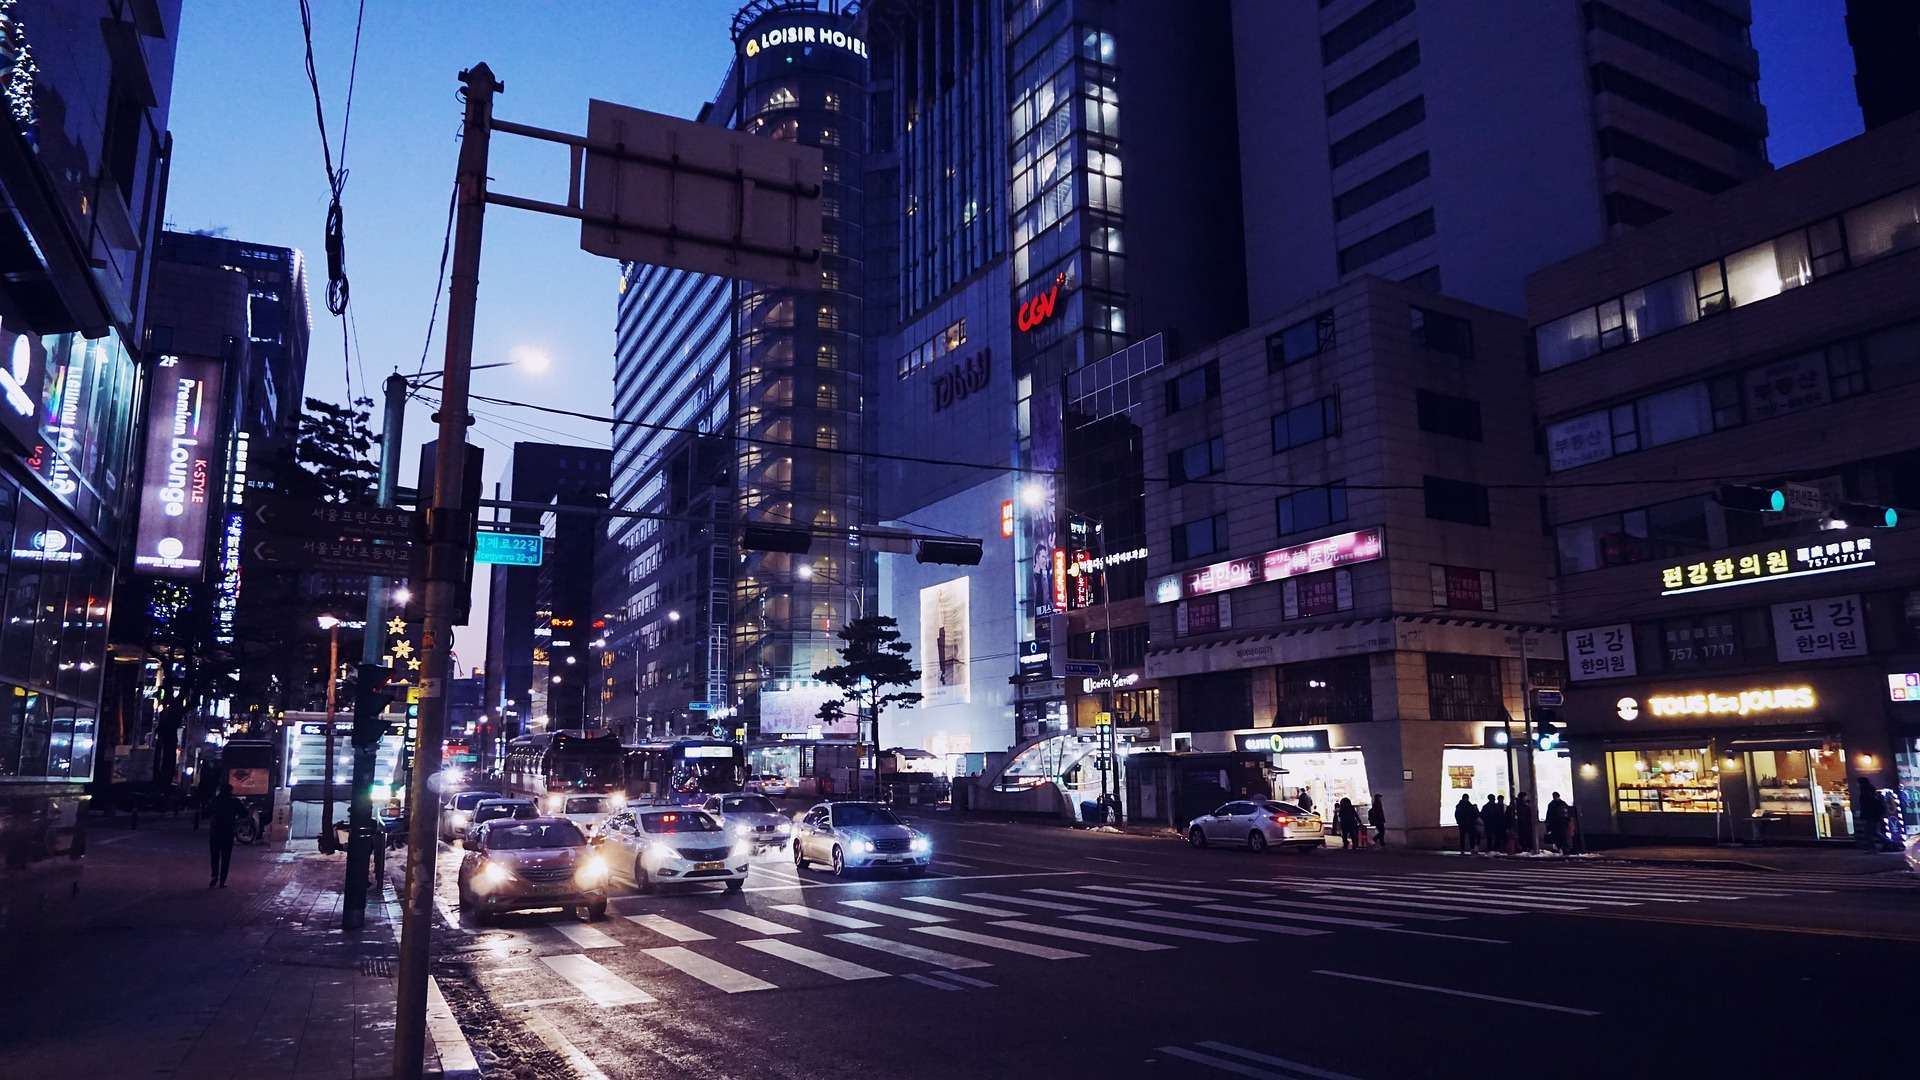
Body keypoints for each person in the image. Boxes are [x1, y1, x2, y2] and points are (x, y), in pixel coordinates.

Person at [206, 784, 244, 888]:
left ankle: (214, 875)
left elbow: (206, 813)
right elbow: (244, 813)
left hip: (215, 831)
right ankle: (222, 880)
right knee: (226, 857)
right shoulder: (234, 801)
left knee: (215, 855)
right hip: (228, 831)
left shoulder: (215, 800)